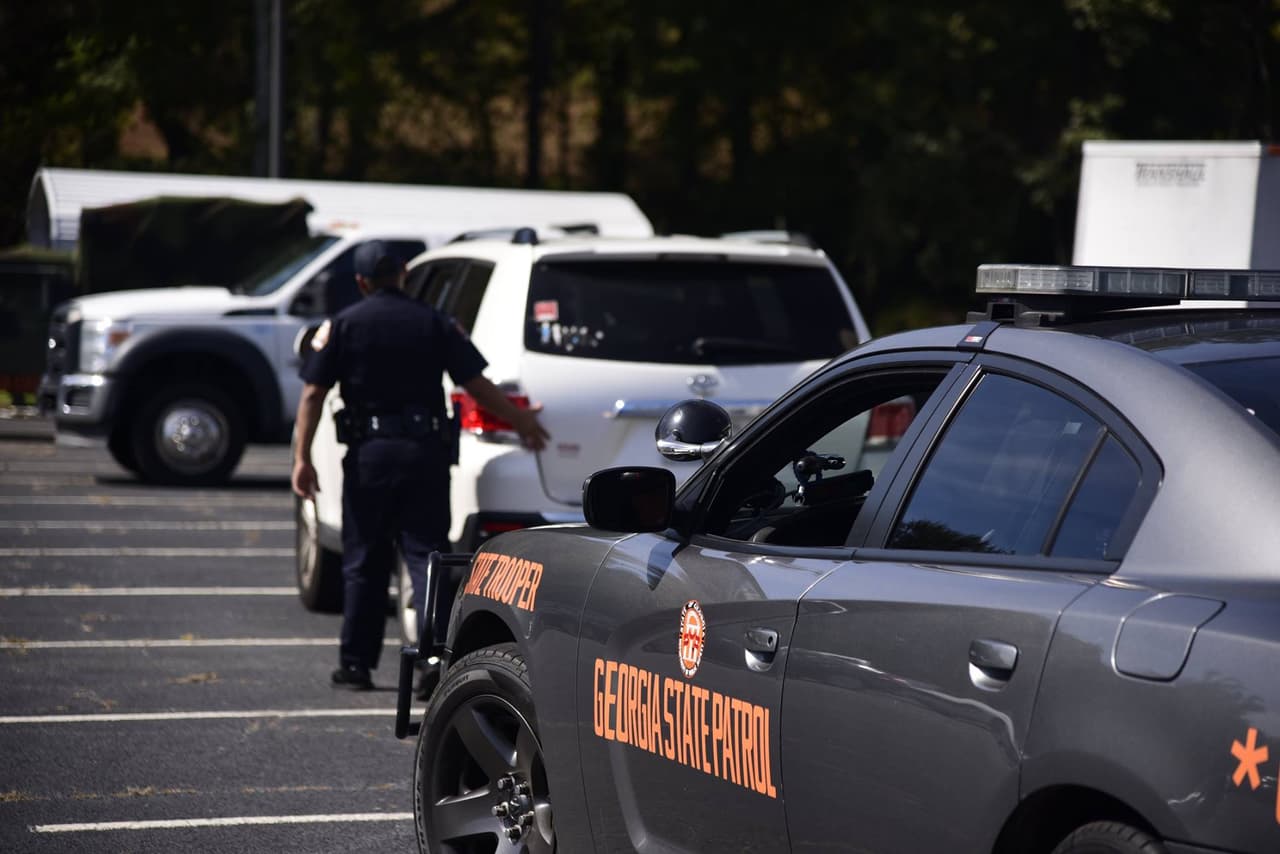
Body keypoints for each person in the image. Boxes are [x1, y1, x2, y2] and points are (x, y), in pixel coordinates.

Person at [291, 241, 549, 690]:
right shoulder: (436, 323)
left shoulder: (343, 325)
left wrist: (301, 459)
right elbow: (476, 385)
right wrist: (522, 420)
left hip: (369, 457)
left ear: (361, 282)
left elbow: (312, 394)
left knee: (364, 561)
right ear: (405, 274)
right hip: (423, 455)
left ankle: (356, 665)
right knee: (426, 558)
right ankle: (432, 664)